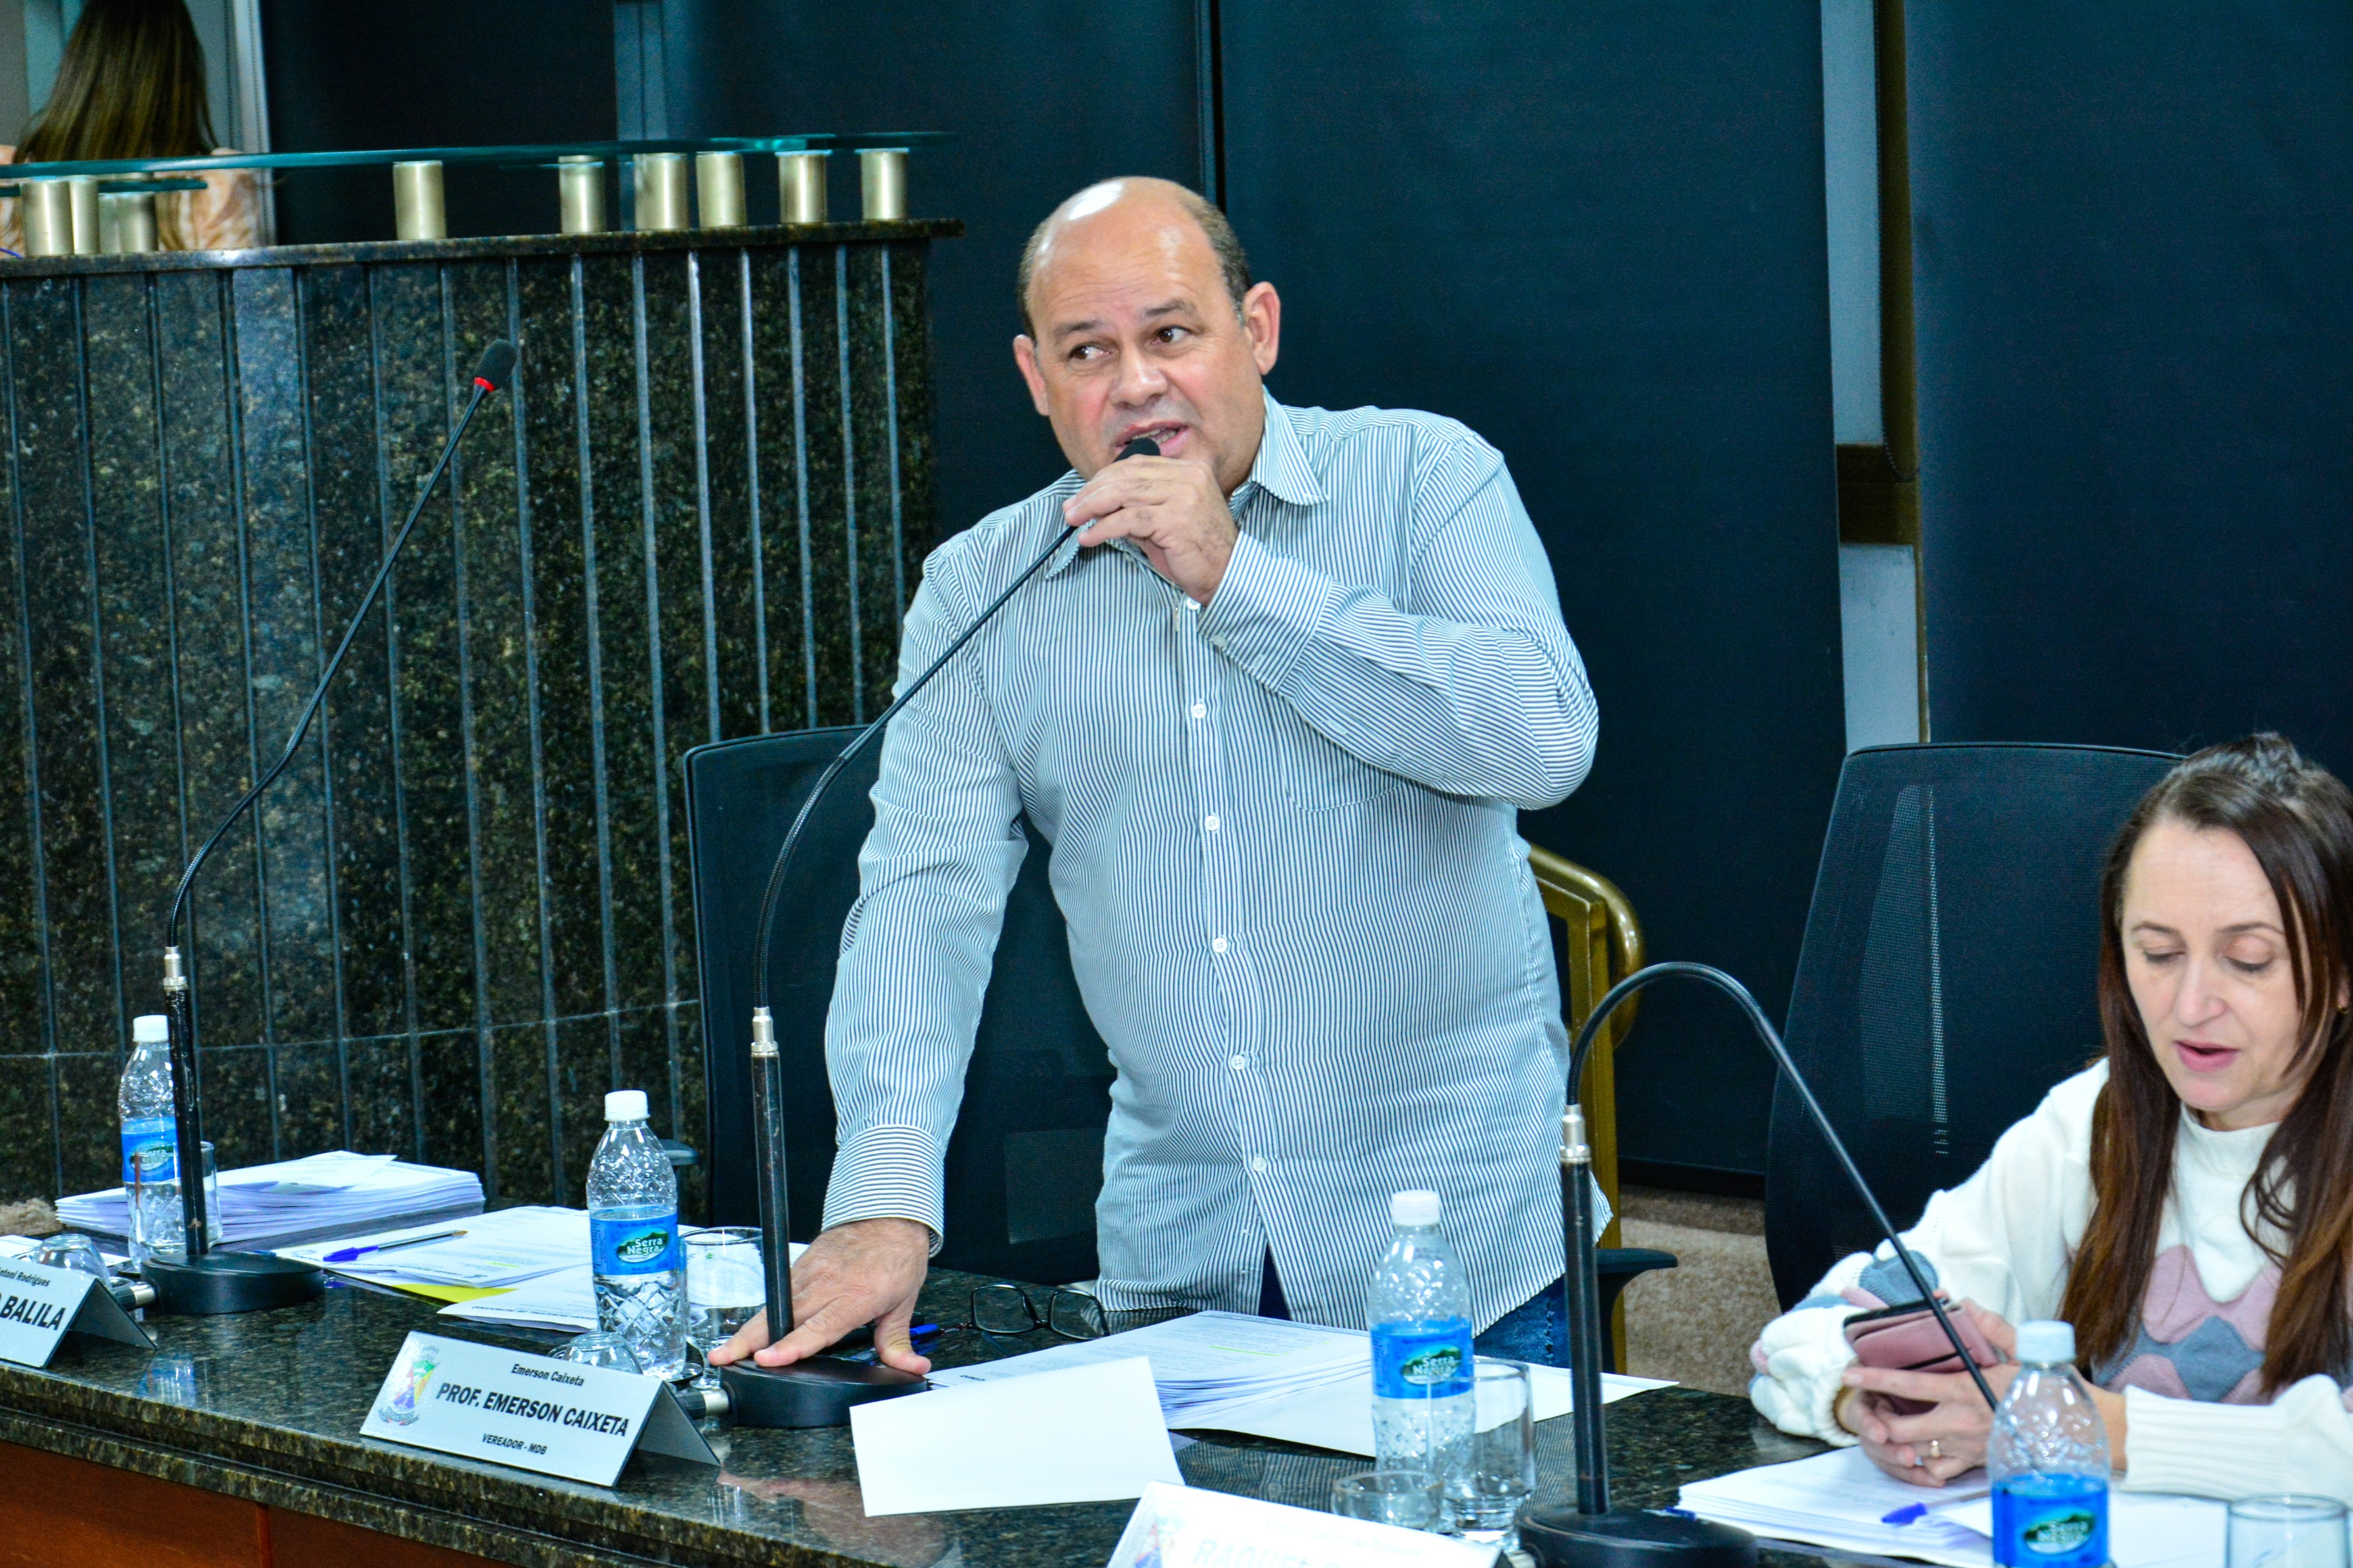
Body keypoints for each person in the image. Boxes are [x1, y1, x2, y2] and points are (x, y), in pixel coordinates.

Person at [713, 176, 1598, 1378]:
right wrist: (881, 1204)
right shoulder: (983, 586)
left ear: (1258, 329)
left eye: (1172, 334)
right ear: (1035, 379)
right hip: (1181, 1269)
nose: (1134, 383)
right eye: (1088, 351)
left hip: (1460, 1257)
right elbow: (923, 906)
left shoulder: (1424, 477)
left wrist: (1238, 578)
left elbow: (1543, 741)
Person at [1751, 733, 2353, 1502]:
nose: (2190, 1005)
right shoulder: (2093, 1122)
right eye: (2157, 953)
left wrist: (2076, 1421)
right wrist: (1879, 1402)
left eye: (2247, 960)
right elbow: (1811, 1331)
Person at [0, 0, 260, 256]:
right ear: (181, 72)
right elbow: (237, 284)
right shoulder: (218, 183)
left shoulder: (9, 176)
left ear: (79, 65)